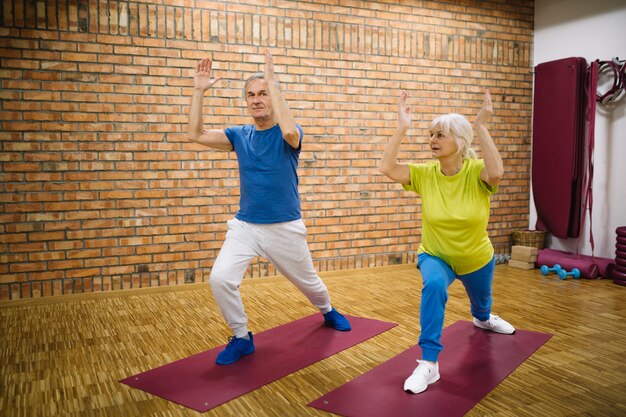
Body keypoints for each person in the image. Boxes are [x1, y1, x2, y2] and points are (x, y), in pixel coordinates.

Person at [187, 51, 351, 366]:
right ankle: (241, 336)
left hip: (284, 227)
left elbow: (290, 133)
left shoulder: (290, 132)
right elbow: (194, 134)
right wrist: (198, 91)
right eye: (251, 95)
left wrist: (274, 83)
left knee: (309, 283)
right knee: (220, 278)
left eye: (262, 93)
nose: (256, 99)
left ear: (273, 98)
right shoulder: (239, 135)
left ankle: (328, 310)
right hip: (246, 227)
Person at [379, 90, 515, 394]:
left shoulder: (476, 172)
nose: (432, 139)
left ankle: (483, 318)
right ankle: (429, 364)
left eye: (440, 134)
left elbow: (497, 172)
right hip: (435, 255)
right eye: (430, 134)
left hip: (476, 258)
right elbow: (387, 169)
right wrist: (401, 127)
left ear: (461, 141)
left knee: (481, 307)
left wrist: (481, 126)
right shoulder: (426, 174)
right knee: (434, 286)